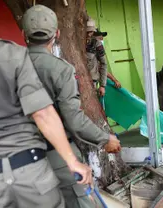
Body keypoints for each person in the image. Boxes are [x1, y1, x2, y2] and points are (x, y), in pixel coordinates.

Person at [0, 2, 92, 208]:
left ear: (25, 33)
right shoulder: (13, 55)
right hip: (31, 174)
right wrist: (72, 161)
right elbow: (43, 113)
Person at [21, 5, 121, 208]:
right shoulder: (61, 70)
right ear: (56, 34)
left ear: (24, 34)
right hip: (56, 157)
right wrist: (105, 138)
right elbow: (74, 120)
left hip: (18, 163)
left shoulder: (7, 67)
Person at [86, 19, 108, 96]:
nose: (88, 34)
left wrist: (102, 85)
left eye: (91, 32)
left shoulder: (97, 44)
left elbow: (103, 63)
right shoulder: (76, 44)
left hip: (92, 81)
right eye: (87, 32)